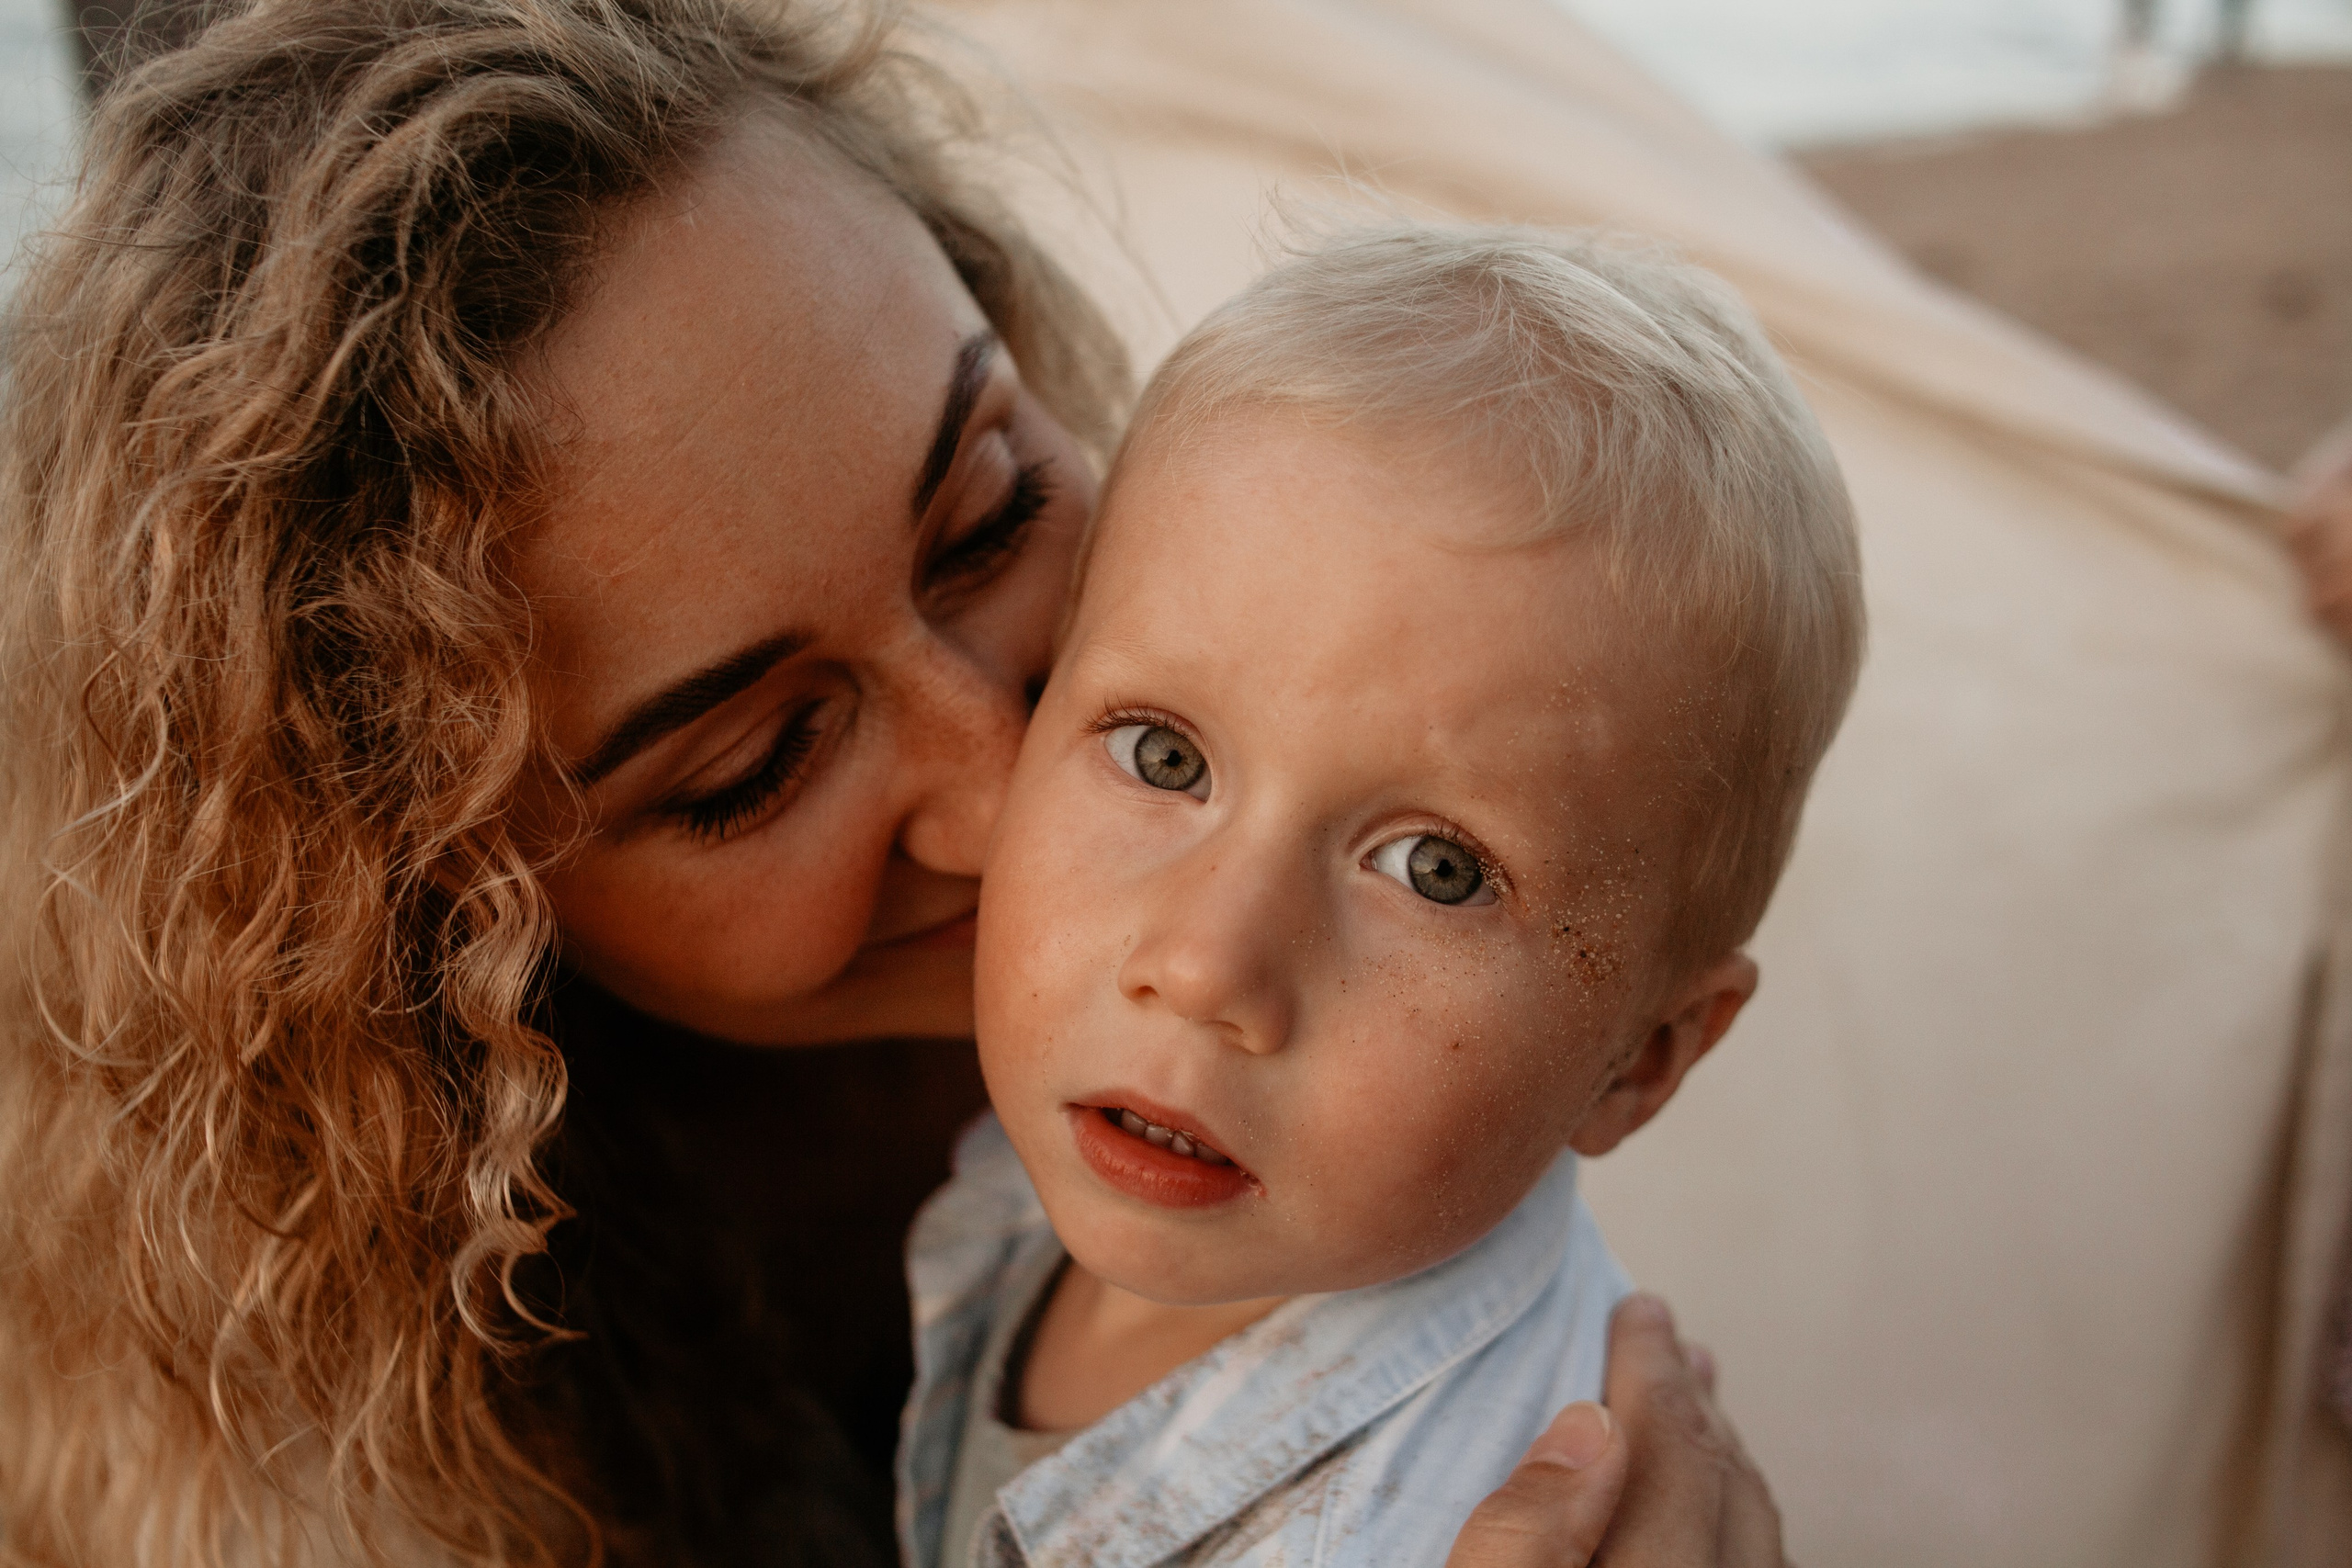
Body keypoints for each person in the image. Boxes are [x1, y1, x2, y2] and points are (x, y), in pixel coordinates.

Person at [0, 1, 1779, 1564]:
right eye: (753, 764)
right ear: (415, 911)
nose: (1017, 797)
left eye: (991, 515)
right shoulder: (340, 1431)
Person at [900, 224, 1863, 1568]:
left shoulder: (1445, 1524)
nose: (1206, 964)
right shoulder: (1008, 1192)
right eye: (1164, 757)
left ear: (1641, 1059)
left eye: (1436, 870)